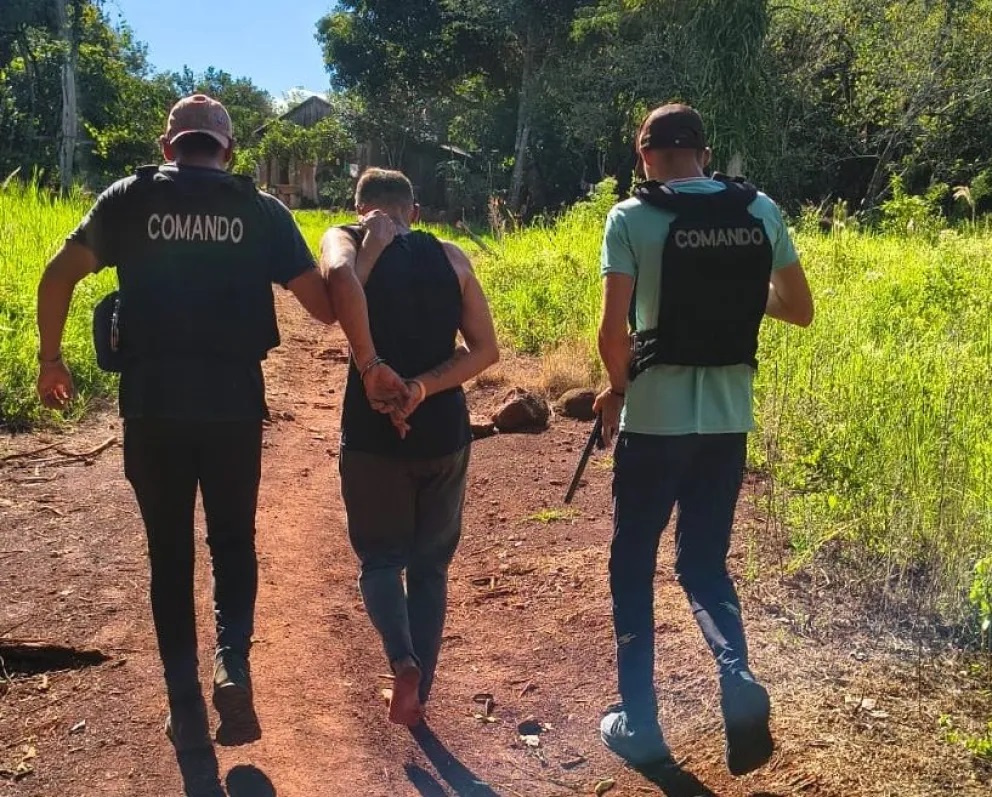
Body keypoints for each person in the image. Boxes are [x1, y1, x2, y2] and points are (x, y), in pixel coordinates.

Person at [35, 94, 376, 760]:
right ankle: (232, 663)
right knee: (232, 541)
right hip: (232, 408)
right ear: (228, 150)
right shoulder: (261, 210)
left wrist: (52, 360)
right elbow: (322, 308)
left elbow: (55, 276)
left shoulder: (128, 199)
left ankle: (184, 706)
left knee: (169, 554)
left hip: (151, 406)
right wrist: (356, 252)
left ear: (168, 147)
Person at [592, 103, 814, 776]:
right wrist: (739, 291)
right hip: (726, 422)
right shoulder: (760, 211)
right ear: (705, 154)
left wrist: (617, 388)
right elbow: (799, 309)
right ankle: (737, 676)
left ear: (644, 157)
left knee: (633, 566)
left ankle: (641, 723)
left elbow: (612, 331)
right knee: (705, 566)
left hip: (654, 423)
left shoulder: (631, 217)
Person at [320, 168, 499, 726]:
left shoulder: (346, 240)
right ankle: (421, 689)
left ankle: (402, 661)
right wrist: (421, 389)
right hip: (443, 432)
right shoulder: (452, 257)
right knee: (430, 568)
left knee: (380, 560)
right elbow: (486, 350)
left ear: (360, 208)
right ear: (413, 212)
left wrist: (377, 369)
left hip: (371, 434)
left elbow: (339, 285)